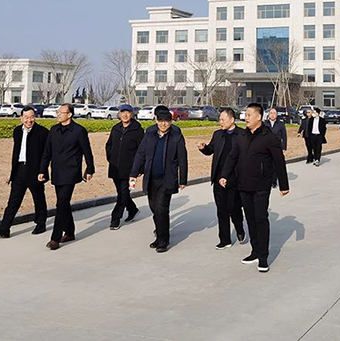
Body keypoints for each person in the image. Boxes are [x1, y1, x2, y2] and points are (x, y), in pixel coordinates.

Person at [219, 103, 289, 273]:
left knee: (261, 219)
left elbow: (279, 161)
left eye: (249, 115)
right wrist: (224, 175)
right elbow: (232, 157)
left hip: (261, 186)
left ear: (259, 117)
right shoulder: (242, 136)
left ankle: (263, 257)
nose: (246, 117)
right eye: (246, 114)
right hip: (244, 185)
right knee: (250, 219)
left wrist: (284, 185)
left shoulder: (269, 137)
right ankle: (255, 251)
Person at [130, 108, 188, 253]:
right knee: (154, 208)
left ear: (171, 122)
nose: (163, 124)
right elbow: (141, 154)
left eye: (166, 121)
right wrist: (134, 173)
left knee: (162, 208)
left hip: (167, 179)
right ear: (156, 120)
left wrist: (183, 179)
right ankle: (159, 234)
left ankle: (163, 240)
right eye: (161, 121)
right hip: (151, 178)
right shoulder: (150, 134)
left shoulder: (176, 136)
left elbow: (182, 159)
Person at [39, 104, 95, 250]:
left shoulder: (79, 131)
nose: (58, 114)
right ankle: (70, 232)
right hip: (57, 172)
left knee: (61, 203)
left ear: (69, 115)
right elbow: (47, 152)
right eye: (57, 112)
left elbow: (87, 151)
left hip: (71, 172)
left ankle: (55, 238)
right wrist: (42, 170)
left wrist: (90, 169)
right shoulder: (54, 130)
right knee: (63, 204)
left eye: (61, 112)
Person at [0, 106, 49, 238]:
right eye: (26, 117)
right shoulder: (17, 131)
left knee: (39, 199)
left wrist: (43, 171)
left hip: (35, 171)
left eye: (32, 117)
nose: (29, 120)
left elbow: (47, 154)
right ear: (21, 118)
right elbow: (16, 151)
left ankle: (41, 224)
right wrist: (12, 172)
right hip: (19, 170)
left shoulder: (42, 132)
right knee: (13, 201)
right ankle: (4, 228)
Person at [198, 107, 246, 249]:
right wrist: (204, 148)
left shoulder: (242, 134)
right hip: (218, 177)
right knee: (221, 209)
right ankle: (225, 239)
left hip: (235, 177)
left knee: (234, 207)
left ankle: (239, 228)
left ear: (232, 120)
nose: (221, 122)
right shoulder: (218, 134)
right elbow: (211, 150)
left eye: (223, 120)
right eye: (219, 119)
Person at [105, 104, 144, 230]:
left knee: (122, 194)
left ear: (132, 114)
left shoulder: (138, 130)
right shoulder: (116, 128)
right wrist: (111, 158)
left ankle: (115, 219)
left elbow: (142, 151)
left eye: (128, 112)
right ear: (119, 114)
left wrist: (140, 168)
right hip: (115, 167)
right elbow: (109, 145)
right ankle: (132, 210)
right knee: (122, 193)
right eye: (123, 112)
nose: (125, 115)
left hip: (130, 169)